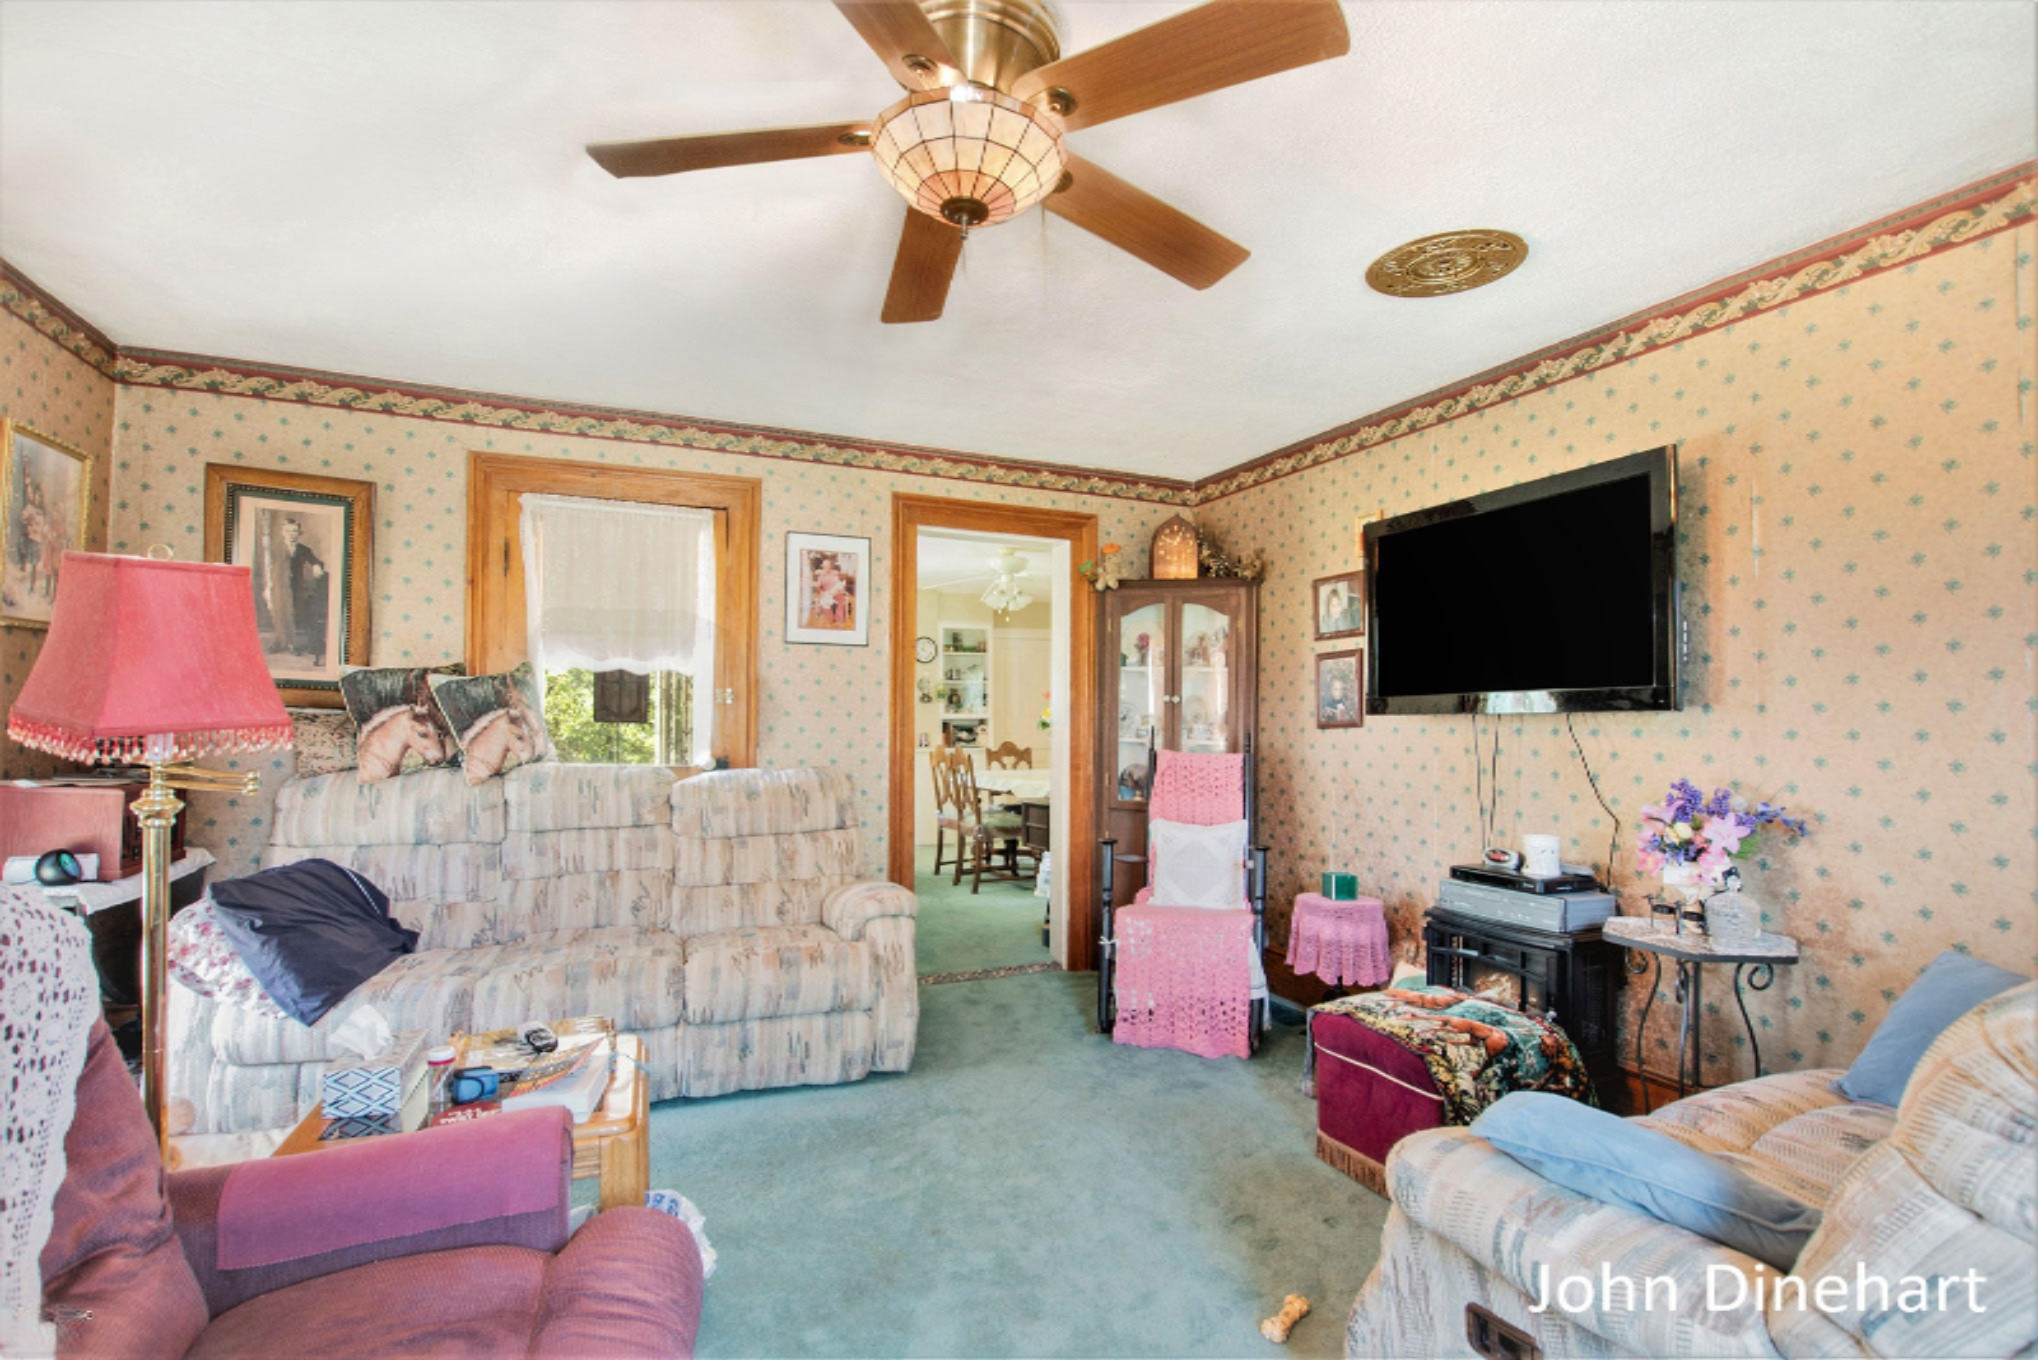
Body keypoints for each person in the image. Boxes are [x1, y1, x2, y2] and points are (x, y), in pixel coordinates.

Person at [279, 516, 329, 666]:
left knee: (302, 610)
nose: (291, 534)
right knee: (282, 612)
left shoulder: (303, 549)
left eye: (295, 531)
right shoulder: (276, 549)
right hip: (280, 585)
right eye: (288, 531)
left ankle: (300, 643)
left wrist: (316, 566)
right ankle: (284, 641)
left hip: (297, 586)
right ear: (283, 532)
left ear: (299, 533)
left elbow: (315, 560)